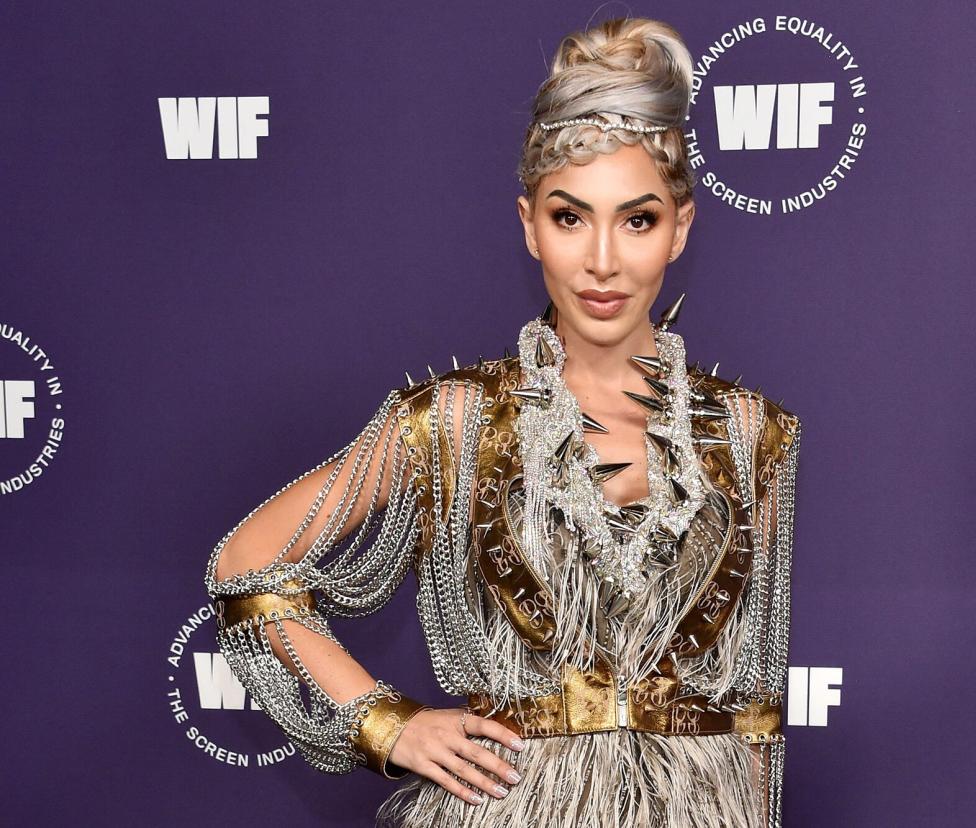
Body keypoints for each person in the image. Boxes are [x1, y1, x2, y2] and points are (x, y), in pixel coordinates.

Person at [205, 16, 801, 828]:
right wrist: (390, 724)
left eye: (637, 219)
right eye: (568, 217)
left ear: (680, 228)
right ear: (528, 224)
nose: (601, 260)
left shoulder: (749, 433)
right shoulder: (453, 421)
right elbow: (249, 565)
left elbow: (756, 705)